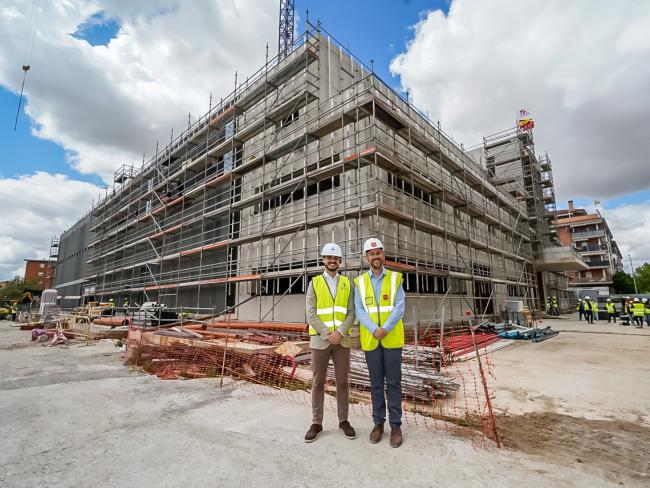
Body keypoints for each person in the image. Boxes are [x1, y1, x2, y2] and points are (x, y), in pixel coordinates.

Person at [354, 237, 405, 448]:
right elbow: (359, 309)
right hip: (371, 341)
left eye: (378, 252)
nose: (375, 256)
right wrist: (374, 329)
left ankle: (395, 426)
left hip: (391, 340)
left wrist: (385, 328)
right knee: (375, 385)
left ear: (383, 254)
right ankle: (378, 424)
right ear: (367, 257)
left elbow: (400, 307)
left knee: (393, 384)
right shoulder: (359, 282)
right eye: (371, 253)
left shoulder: (395, 279)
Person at [304, 243, 356, 443]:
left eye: (335, 258)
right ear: (323, 260)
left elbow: (351, 312)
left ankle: (344, 421)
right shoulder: (314, 283)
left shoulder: (348, 283)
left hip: (342, 341)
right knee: (318, 383)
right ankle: (317, 423)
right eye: (328, 258)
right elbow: (311, 313)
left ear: (340, 261)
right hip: (320, 341)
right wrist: (328, 333)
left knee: (343, 383)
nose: (332, 261)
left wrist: (340, 332)